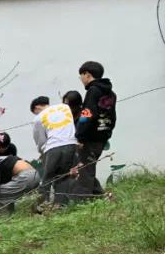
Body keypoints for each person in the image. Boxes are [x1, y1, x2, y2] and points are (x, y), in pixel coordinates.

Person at [72, 61, 117, 200]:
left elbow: (87, 113)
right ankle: (101, 196)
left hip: (90, 137)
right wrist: (107, 132)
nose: (81, 79)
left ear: (87, 74)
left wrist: (79, 136)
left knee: (85, 170)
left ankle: (82, 202)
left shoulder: (93, 91)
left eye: (81, 76)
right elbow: (113, 116)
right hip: (102, 136)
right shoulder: (111, 93)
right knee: (89, 168)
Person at [30, 95, 78, 207]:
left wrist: (42, 151)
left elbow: (40, 140)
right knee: (63, 176)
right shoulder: (65, 107)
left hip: (53, 147)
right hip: (71, 144)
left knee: (47, 178)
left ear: (37, 108)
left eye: (35, 112)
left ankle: (42, 206)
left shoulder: (38, 118)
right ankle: (60, 205)